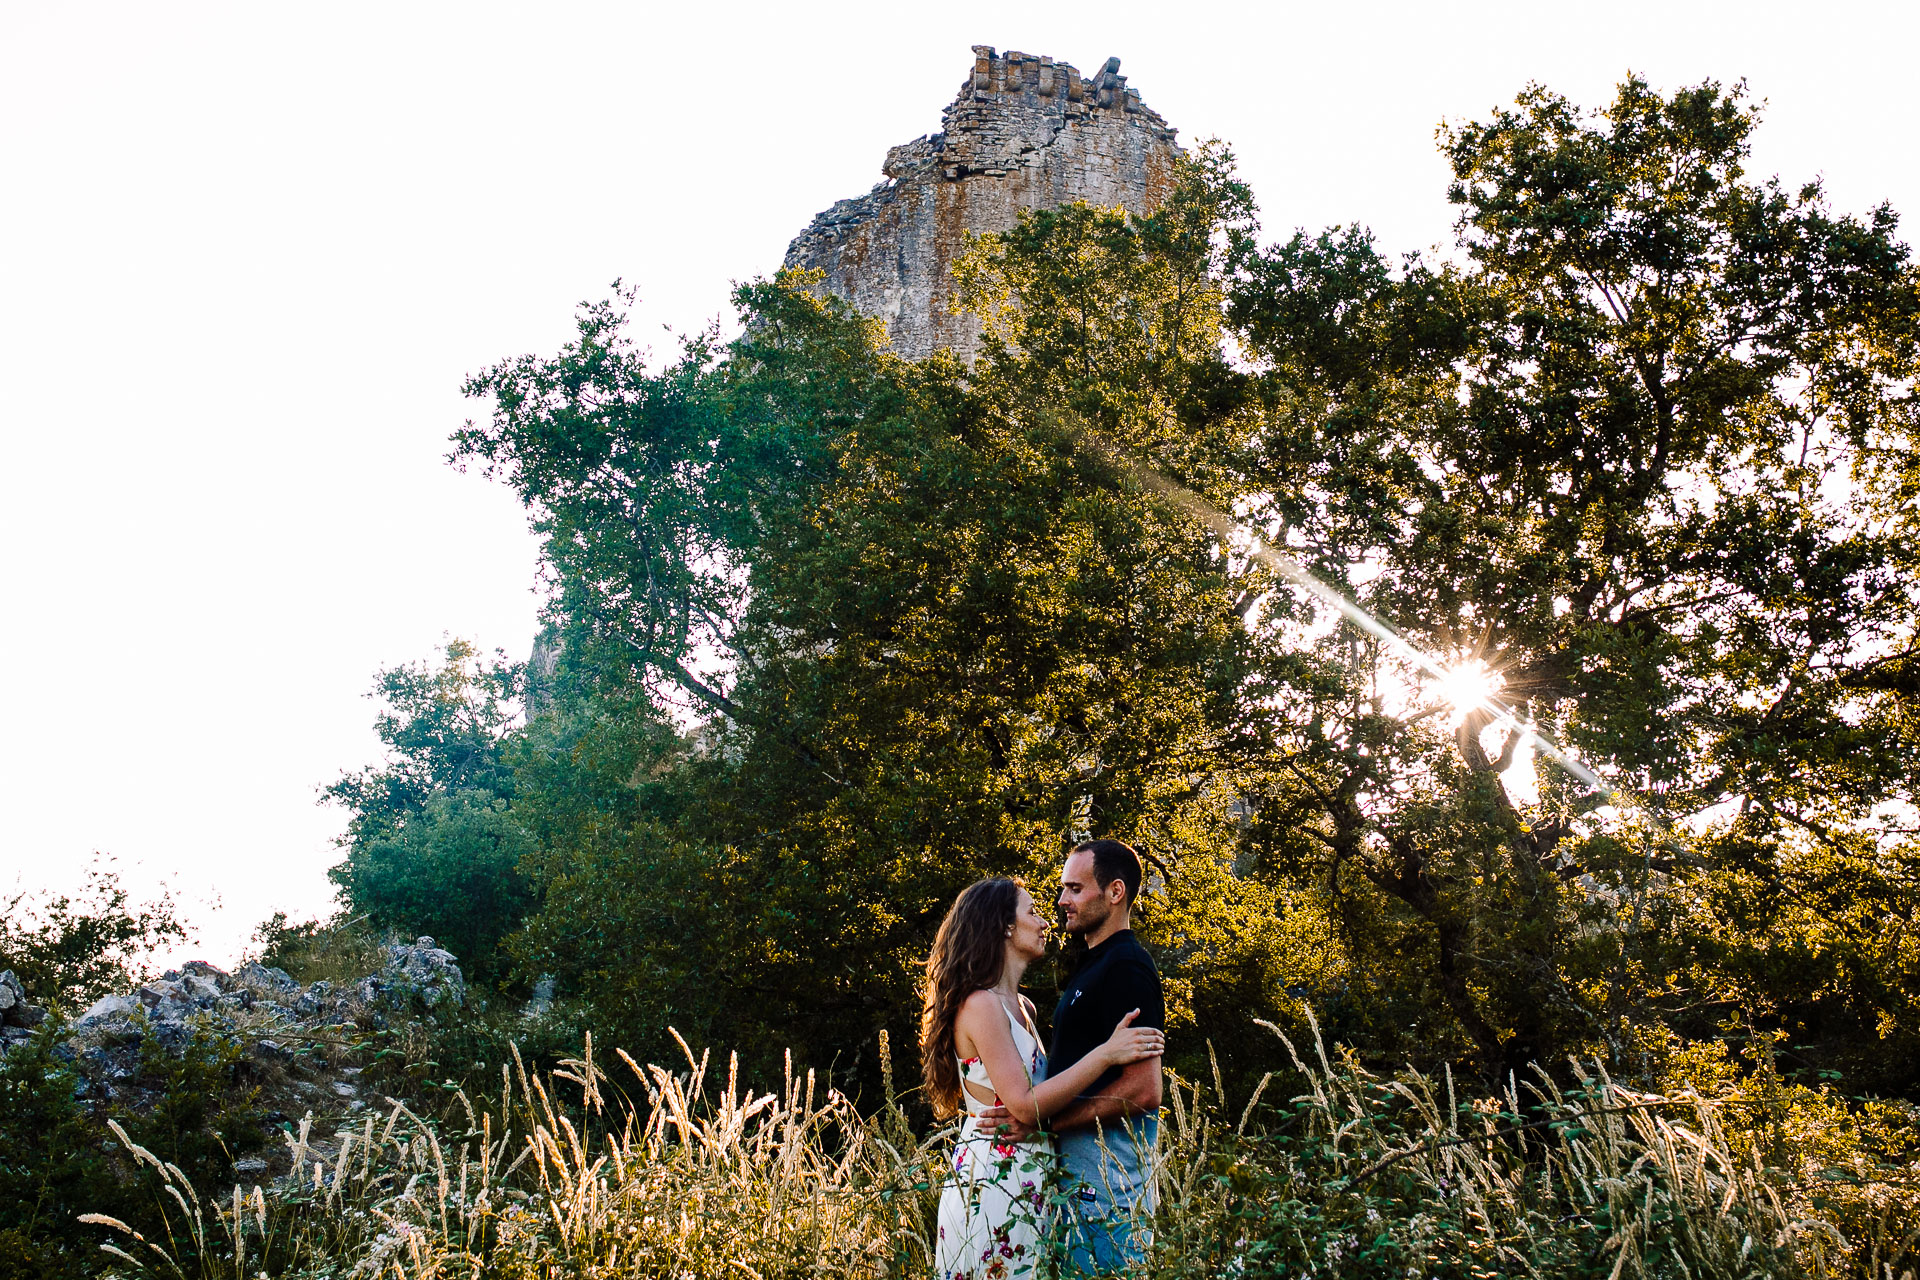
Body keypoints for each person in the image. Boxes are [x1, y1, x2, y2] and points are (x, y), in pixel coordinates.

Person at [921, 876, 1164, 1280]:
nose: (1045, 920)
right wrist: (1106, 1054)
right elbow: (1024, 1104)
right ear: (1004, 926)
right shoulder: (980, 1005)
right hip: (995, 1181)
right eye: (1032, 912)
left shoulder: (1023, 1007)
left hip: (1035, 1179)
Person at [982, 839, 1165, 1275]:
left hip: (1110, 1195)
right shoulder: (1091, 966)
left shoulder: (1127, 968)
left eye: (1075, 889)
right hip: (1072, 1190)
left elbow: (1144, 1090)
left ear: (1115, 892)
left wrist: (1042, 1124)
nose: (1062, 900)